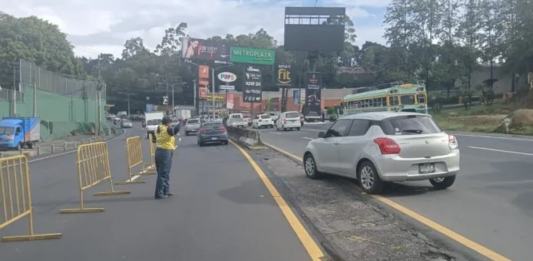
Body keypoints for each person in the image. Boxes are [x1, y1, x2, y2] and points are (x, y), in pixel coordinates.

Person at [154, 116, 180, 199]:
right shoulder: (167, 129)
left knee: (163, 173)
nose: (171, 124)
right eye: (170, 123)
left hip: (158, 151)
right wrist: (180, 123)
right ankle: (159, 193)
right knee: (163, 174)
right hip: (165, 152)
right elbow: (174, 131)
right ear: (168, 123)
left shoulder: (158, 128)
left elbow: (154, 139)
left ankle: (166, 190)